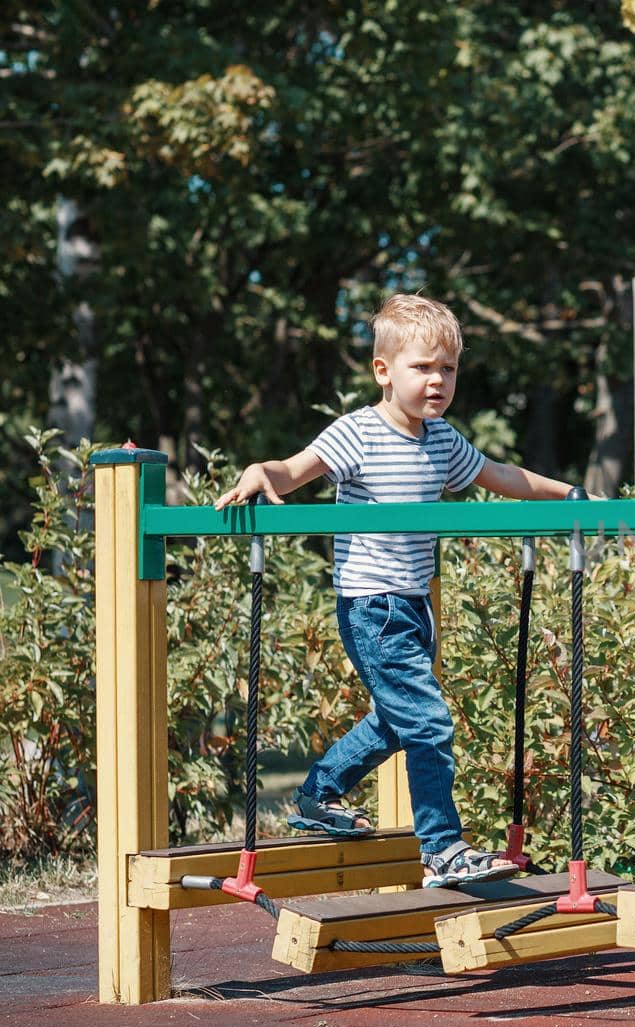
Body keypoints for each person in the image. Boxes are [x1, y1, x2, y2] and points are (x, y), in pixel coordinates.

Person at [215, 293, 572, 888]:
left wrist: (567, 494)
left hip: (413, 605)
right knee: (428, 722)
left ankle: (316, 794)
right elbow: (295, 468)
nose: (437, 381)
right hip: (373, 606)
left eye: (448, 369)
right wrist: (260, 471)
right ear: (384, 371)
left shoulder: (442, 440)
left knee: (395, 720)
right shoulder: (359, 433)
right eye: (422, 367)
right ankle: (442, 849)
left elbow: (501, 476)